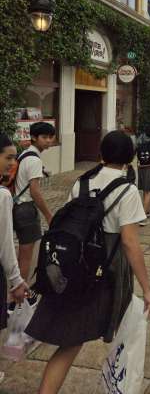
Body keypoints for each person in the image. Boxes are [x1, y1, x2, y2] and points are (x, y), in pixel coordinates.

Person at [26, 130, 150, 394]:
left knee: (71, 341)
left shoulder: (82, 182)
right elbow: (130, 243)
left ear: (101, 153)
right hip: (102, 273)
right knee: (73, 341)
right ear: (130, 157)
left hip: (73, 265)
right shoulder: (127, 190)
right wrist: (147, 289)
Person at [0, 134, 30, 384]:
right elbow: (5, 245)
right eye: (8, 157)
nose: (13, 163)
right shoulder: (3, 196)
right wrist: (17, 280)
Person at [13, 121, 55, 295]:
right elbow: (35, 192)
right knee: (26, 255)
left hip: (16, 206)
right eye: (44, 137)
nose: (49, 141)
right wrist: (48, 215)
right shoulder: (34, 159)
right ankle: (20, 294)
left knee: (22, 252)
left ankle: (17, 289)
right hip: (26, 210)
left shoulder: (25, 154)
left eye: (51, 137)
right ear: (34, 138)